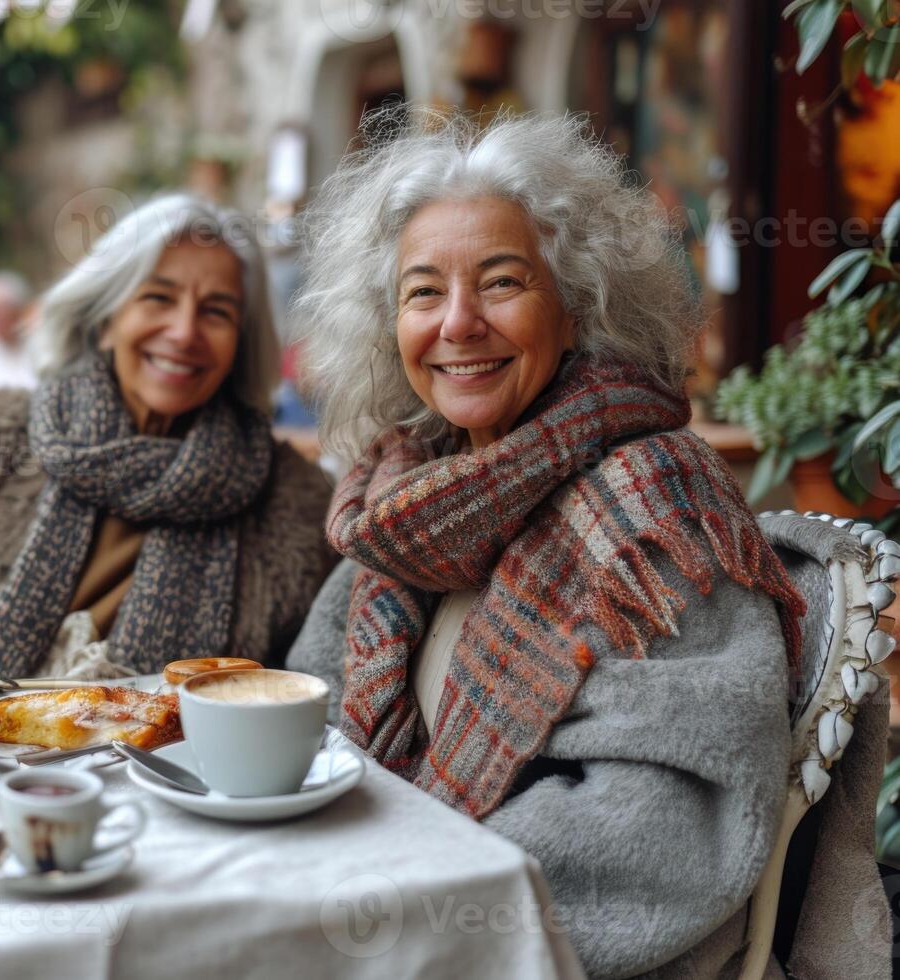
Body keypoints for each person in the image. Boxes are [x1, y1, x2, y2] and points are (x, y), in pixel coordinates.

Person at [284, 111, 889, 977]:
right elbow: (313, 718)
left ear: (576, 308)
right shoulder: (408, 499)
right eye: (423, 292)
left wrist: (402, 896)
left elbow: (663, 826)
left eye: (500, 283)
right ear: (391, 328)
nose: (458, 323)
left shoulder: (657, 511)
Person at [0, 194, 335, 680]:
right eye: (158, 298)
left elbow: (302, 700)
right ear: (105, 318)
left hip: (166, 780)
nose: (184, 331)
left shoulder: (295, 505)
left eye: (216, 311)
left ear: (241, 343)